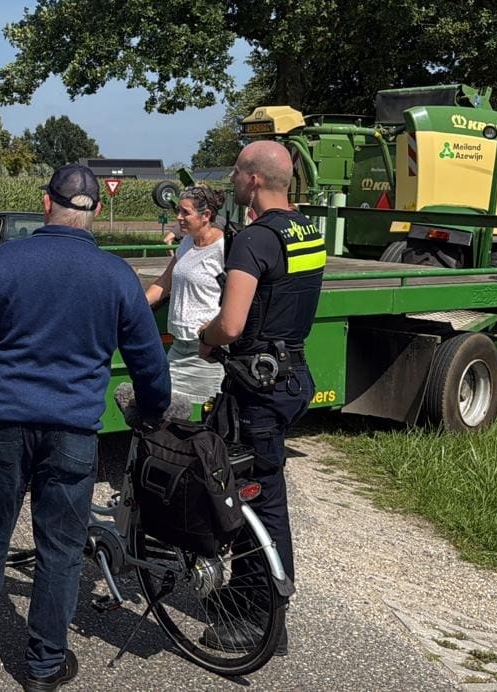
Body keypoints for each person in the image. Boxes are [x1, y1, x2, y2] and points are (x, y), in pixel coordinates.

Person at [0, 164, 171, 691]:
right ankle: (43, 665)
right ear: (96, 210)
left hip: (5, 422)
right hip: (73, 430)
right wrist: (153, 410)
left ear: (45, 203)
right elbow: (149, 361)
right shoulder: (116, 275)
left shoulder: (6, 261)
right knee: (60, 549)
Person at [197, 140, 325, 653]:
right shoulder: (305, 230)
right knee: (253, 488)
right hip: (290, 374)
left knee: (258, 499)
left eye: (235, 172)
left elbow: (231, 323)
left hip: (258, 388)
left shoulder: (253, 240)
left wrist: (206, 337)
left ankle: (263, 617)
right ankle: (244, 589)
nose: (231, 179)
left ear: (253, 180)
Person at [145, 185, 228, 410]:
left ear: (206, 215)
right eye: (178, 211)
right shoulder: (187, 243)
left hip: (205, 352)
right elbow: (165, 283)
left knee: (204, 418)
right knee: (166, 412)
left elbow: (237, 298)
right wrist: (135, 305)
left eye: (185, 212)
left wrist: (213, 332)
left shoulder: (224, 249)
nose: (179, 217)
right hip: (179, 347)